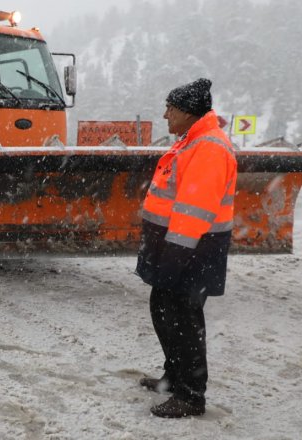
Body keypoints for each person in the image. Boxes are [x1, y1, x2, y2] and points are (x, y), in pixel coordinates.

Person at [135, 78, 237, 418]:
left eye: (170, 108)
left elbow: (195, 211)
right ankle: (173, 377)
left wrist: (174, 257)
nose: (165, 115)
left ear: (188, 112)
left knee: (183, 319)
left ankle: (191, 396)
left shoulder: (207, 147)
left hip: (191, 251)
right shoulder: (190, 142)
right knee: (165, 311)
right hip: (177, 248)